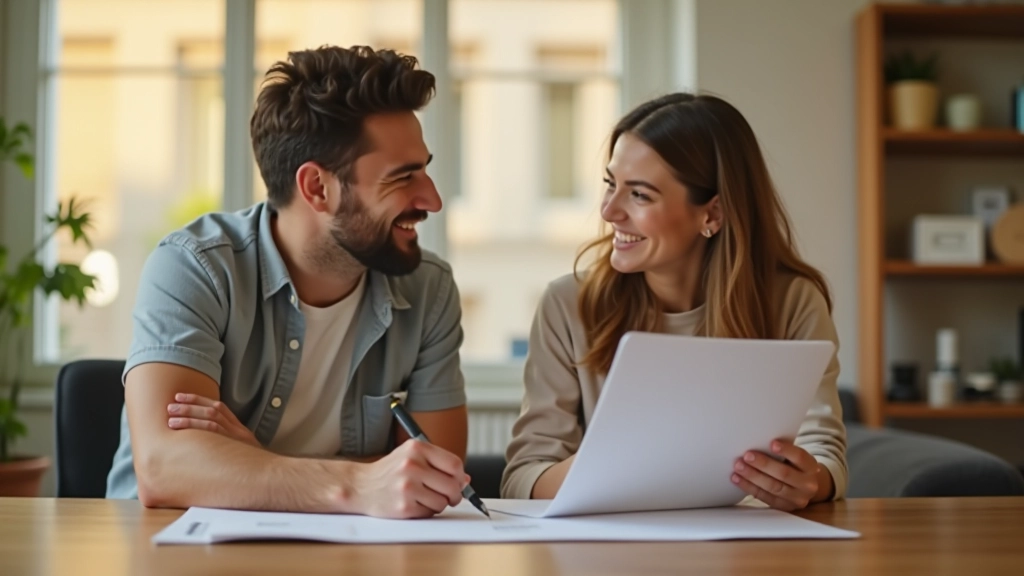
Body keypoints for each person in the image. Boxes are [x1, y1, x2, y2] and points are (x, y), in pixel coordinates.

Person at [106, 45, 472, 519]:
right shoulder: (195, 267)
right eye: (403, 177)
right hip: (176, 551)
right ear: (317, 188)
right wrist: (357, 484)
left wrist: (251, 463)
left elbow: (435, 479)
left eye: (425, 168)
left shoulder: (429, 289)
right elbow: (164, 468)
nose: (433, 199)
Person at [500, 93, 848, 511]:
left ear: (712, 214)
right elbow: (523, 478)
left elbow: (824, 453)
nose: (609, 211)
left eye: (640, 195)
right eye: (611, 184)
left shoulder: (793, 301)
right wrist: (627, 456)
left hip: (751, 546)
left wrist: (813, 481)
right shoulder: (567, 304)